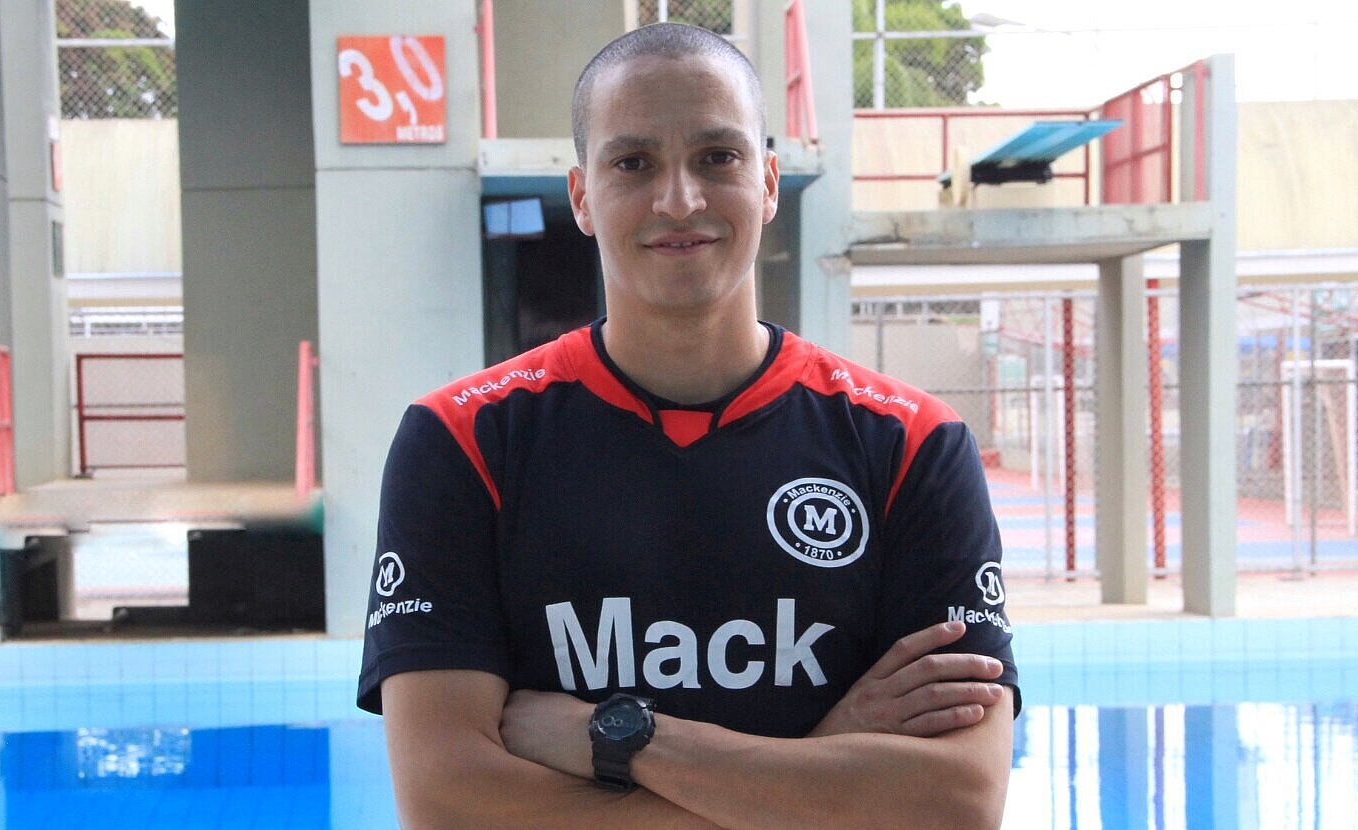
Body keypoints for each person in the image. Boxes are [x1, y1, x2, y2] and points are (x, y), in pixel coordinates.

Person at [356, 22, 1017, 829]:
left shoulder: (911, 444)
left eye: (719, 157)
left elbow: (960, 804)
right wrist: (824, 763)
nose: (680, 199)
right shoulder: (462, 442)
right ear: (581, 198)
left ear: (769, 182)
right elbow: (447, 804)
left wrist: (619, 739)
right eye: (633, 163)